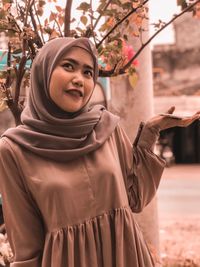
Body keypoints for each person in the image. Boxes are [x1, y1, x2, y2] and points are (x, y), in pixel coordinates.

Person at [0, 37, 199, 267]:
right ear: (43, 72)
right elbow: (27, 250)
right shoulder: (14, 150)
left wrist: (151, 133)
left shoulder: (106, 127)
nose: (79, 79)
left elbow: (135, 198)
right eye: (68, 66)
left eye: (88, 72)